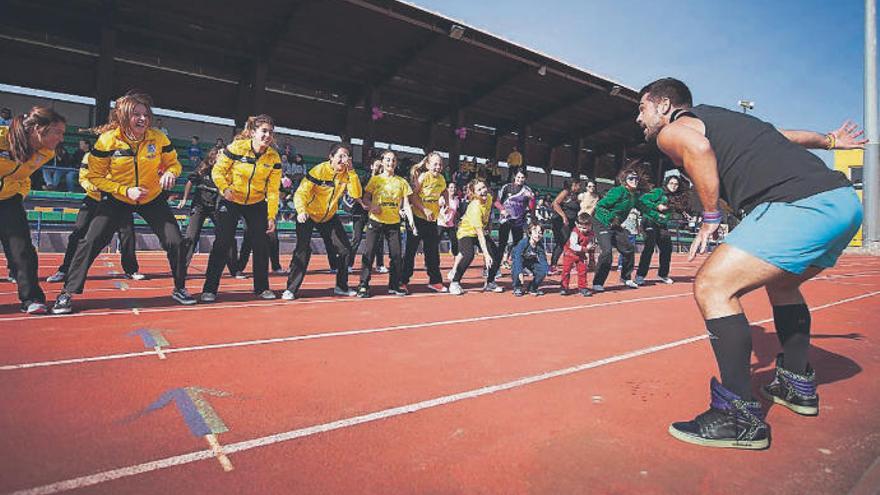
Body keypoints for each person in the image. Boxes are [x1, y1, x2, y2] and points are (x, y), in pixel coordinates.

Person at [636, 77, 865, 449]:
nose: (638, 118)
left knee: (714, 286)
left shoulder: (674, 130)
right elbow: (783, 136)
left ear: (664, 106)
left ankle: (737, 417)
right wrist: (830, 140)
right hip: (842, 203)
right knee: (783, 283)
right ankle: (795, 383)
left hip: (798, 203)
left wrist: (710, 215)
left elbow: (697, 147)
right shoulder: (727, 120)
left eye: (642, 108)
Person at [52, 91, 196, 314]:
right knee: (91, 240)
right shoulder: (108, 141)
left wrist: (171, 173)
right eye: (136, 114)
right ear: (123, 116)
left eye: (146, 114)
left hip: (152, 198)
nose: (142, 119)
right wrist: (124, 190)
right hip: (119, 197)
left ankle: (180, 288)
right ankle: (66, 293)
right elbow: (94, 177)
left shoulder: (158, 138)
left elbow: (174, 164)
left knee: (175, 241)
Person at [200, 115, 281, 302]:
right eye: (264, 131)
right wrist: (225, 188)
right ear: (253, 132)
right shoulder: (236, 148)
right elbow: (218, 171)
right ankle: (209, 289)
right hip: (231, 199)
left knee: (261, 245)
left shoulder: (274, 157)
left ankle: (262, 288)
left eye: (271, 132)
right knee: (223, 243)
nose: (268, 135)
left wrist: (271, 215)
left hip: (256, 203)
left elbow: (273, 190)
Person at [1, 106, 66, 314]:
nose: (61, 138)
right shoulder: (3, 137)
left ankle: (31, 299)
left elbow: (23, 175)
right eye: (57, 132)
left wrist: (19, 193)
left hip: (8, 198)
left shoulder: (46, 153)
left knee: (23, 249)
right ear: (39, 129)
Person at [46, 147, 143, 283]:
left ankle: (131, 270)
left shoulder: (124, 155)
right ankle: (64, 269)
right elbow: (83, 178)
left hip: (117, 200)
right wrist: (95, 187)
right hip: (93, 199)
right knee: (78, 234)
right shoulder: (89, 156)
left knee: (127, 234)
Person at [284, 143, 365, 300]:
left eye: (347, 156)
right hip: (308, 214)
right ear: (331, 157)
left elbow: (356, 194)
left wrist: (353, 172)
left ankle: (341, 287)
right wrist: (301, 210)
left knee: (345, 249)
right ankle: (291, 289)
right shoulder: (319, 170)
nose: (343, 160)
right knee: (302, 250)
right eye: (340, 156)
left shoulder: (348, 174)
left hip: (328, 217)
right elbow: (301, 192)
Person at [356, 150, 415, 297]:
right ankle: (363, 284)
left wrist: (412, 221)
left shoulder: (402, 182)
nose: (391, 163)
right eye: (388, 160)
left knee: (396, 255)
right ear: (382, 162)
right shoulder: (375, 180)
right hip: (375, 222)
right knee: (369, 253)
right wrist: (371, 206)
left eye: (393, 160)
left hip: (394, 223)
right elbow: (366, 198)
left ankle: (394, 285)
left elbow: (406, 204)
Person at [177, 148, 238, 276]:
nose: (223, 157)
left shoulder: (227, 171)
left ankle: (235, 269)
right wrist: (184, 198)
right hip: (200, 206)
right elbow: (190, 182)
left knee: (227, 237)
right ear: (213, 157)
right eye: (220, 154)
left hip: (217, 207)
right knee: (191, 236)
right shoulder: (203, 169)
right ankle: (181, 268)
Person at [591, 165, 645, 291]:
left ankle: (626, 277)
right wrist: (611, 217)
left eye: (636, 179)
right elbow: (600, 206)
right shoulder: (618, 191)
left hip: (615, 225)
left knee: (628, 249)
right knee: (607, 252)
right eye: (631, 179)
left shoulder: (634, 196)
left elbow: (644, 207)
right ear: (625, 181)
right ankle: (598, 282)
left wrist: (658, 211)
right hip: (602, 222)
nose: (635, 181)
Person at [402, 152, 447, 293]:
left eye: (440, 164)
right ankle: (402, 281)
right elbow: (412, 198)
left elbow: (444, 191)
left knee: (433, 253)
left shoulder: (441, 179)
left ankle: (435, 281)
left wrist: (444, 199)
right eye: (435, 164)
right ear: (427, 165)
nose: (438, 167)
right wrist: (424, 209)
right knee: (410, 252)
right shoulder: (423, 177)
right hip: (417, 219)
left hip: (431, 221)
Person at [449, 179, 501, 295]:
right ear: (474, 194)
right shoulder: (474, 207)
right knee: (468, 254)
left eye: (483, 188)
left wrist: (489, 227)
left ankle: (490, 282)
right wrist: (486, 255)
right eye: (479, 190)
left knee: (496, 254)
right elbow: (480, 234)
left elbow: (489, 215)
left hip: (481, 230)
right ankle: (455, 282)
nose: (483, 191)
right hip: (466, 232)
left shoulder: (488, 199)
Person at [635, 175, 689, 285]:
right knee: (649, 248)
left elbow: (676, 209)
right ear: (667, 183)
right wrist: (656, 206)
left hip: (662, 225)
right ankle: (640, 275)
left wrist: (685, 214)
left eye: (676, 184)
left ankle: (663, 274)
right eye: (671, 183)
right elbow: (642, 200)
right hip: (649, 221)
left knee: (667, 248)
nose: (674, 186)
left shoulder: (676, 197)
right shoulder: (658, 192)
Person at [347, 155, 386, 273]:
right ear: (372, 166)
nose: (379, 168)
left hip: (374, 213)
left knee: (379, 239)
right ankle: (349, 264)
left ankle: (380, 264)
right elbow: (356, 192)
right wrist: (362, 203)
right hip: (360, 212)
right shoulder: (364, 178)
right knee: (356, 238)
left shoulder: (383, 181)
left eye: (381, 166)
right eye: (377, 165)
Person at [494, 170, 535, 274]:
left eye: (522, 178)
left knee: (518, 246)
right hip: (506, 220)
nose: (520, 180)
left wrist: (531, 198)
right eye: (518, 177)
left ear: (525, 179)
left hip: (518, 222)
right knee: (502, 245)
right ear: (514, 177)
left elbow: (531, 207)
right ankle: (496, 269)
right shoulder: (506, 187)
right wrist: (502, 209)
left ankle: (518, 267)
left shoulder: (527, 190)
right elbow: (496, 201)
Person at [559, 212, 596, 296]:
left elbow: (591, 246)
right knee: (566, 270)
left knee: (582, 271)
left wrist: (591, 259)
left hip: (581, 255)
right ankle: (564, 287)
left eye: (587, 228)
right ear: (577, 225)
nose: (584, 230)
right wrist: (585, 249)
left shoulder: (591, 234)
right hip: (570, 253)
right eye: (582, 228)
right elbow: (573, 246)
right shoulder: (574, 233)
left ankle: (582, 287)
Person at [550, 180, 583, 271]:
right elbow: (555, 203)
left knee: (573, 241)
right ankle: (553, 265)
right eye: (578, 185)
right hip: (562, 222)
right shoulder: (566, 192)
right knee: (562, 242)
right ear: (573, 185)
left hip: (572, 221)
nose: (579, 187)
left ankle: (572, 262)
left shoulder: (575, 195)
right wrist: (564, 216)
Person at [510, 222, 549, 297]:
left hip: (531, 260)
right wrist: (520, 272)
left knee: (542, 271)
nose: (537, 235)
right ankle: (517, 287)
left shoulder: (540, 245)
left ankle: (532, 287)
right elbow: (517, 257)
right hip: (520, 260)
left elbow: (543, 259)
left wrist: (546, 270)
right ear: (530, 234)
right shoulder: (523, 243)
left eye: (540, 233)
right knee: (516, 268)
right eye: (535, 232)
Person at [437, 181, 461, 257]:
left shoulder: (457, 200)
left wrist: (457, 222)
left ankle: (456, 258)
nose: (453, 189)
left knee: (454, 242)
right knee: (436, 241)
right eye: (451, 187)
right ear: (447, 189)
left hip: (450, 225)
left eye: (454, 187)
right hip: (441, 224)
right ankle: (431, 259)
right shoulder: (442, 198)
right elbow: (437, 211)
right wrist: (442, 219)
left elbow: (455, 213)